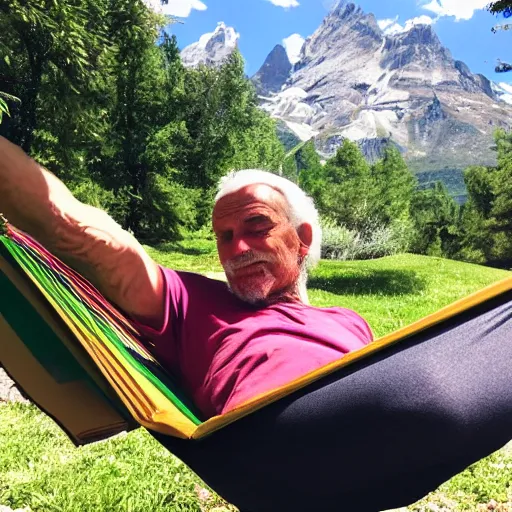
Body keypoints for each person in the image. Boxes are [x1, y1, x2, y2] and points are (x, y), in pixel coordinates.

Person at [1, 135, 512, 512]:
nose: (236, 249)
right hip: (266, 446)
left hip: (379, 449)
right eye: (223, 236)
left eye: (256, 226)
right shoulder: (186, 301)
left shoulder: (349, 321)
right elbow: (86, 236)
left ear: (303, 239)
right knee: (430, 388)